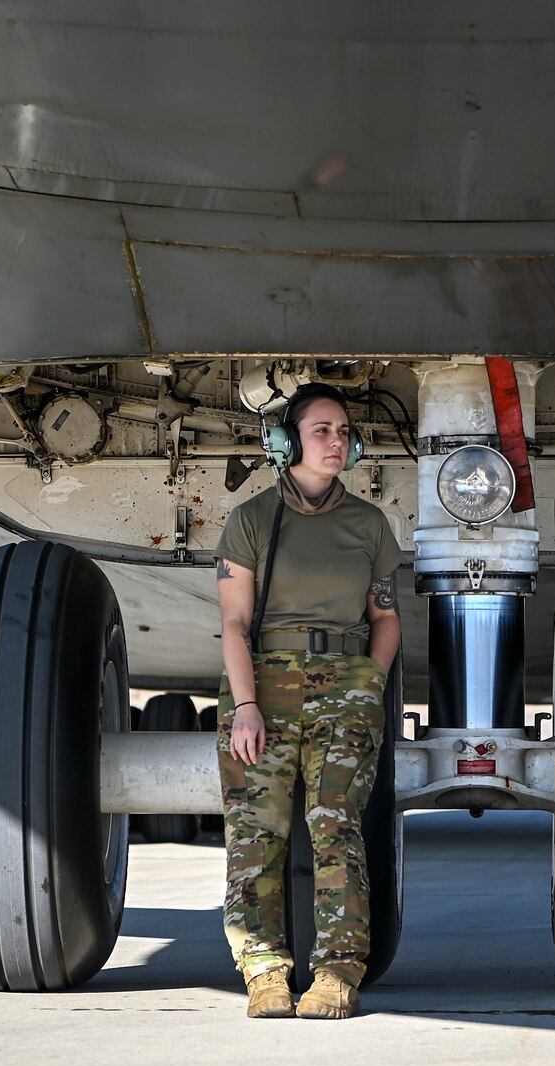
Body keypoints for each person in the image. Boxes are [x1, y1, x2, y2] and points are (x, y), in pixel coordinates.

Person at [213, 382, 403, 1019]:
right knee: (255, 833)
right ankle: (264, 971)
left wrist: (368, 686)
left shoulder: (370, 524)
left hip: (342, 685)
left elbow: (386, 619)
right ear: (287, 441)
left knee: (335, 826)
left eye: (344, 431)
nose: (336, 441)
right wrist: (245, 706)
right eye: (322, 430)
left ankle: (338, 975)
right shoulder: (250, 520)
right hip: (262, 686)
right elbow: (235, 625)